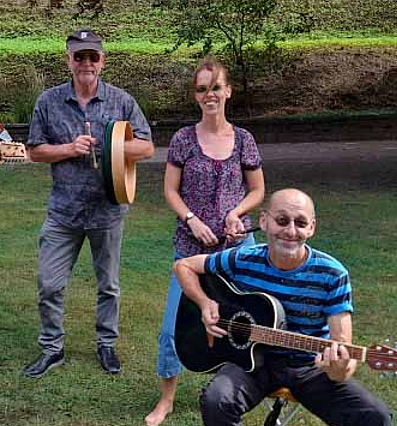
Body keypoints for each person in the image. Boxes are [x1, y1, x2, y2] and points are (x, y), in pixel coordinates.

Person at [173, 188, 393, 426]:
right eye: (281, 220)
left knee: (374, 417)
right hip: (251, 363)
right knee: (216, 400)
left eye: (300, 223)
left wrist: (338, 368)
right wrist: (205, 304)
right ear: (264, 221)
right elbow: (184, 266)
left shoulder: (333, 274)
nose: (290, 231)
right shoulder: (243, 258)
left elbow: (342, 355)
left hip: (309, 367)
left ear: (312, 228)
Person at [22, 28, 155, 378]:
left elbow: (147, 146)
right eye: (79, 56)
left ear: (102, 61)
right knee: (49, 284)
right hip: (63, 211)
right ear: (68, 60)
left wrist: (112, 147)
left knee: (108, 285)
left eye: (92, 56)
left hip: (107, 210)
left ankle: (106, 344)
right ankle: (52, 348)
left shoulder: (121, 101)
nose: (86, 63)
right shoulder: (48, 101)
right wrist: (69, 148)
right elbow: (34, 150)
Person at [145, 58, 265, 426]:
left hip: (235, 251)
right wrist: (192, 220)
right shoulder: (183, 138)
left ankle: (224, 395)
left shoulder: (244, 139)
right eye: (201, 89)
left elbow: (257, 189)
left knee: (237, 323)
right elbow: (170, 190)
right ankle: (166, 400)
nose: (209, 94)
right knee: (172, 328)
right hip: (191, 251)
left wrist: (236, 214)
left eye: (215, 87)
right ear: (195, 96)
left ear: (228, 91)